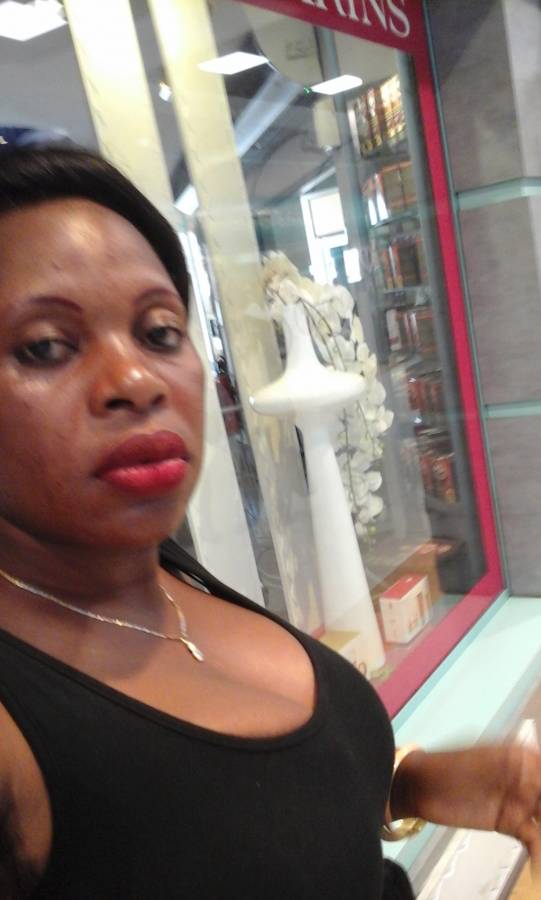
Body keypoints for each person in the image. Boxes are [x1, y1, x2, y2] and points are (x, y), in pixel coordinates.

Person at [0, 144, 538, 900]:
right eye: (46, 347)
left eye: (159, 332)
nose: (135, 380)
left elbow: (234, 827)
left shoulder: (158, 570)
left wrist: (420, 784)